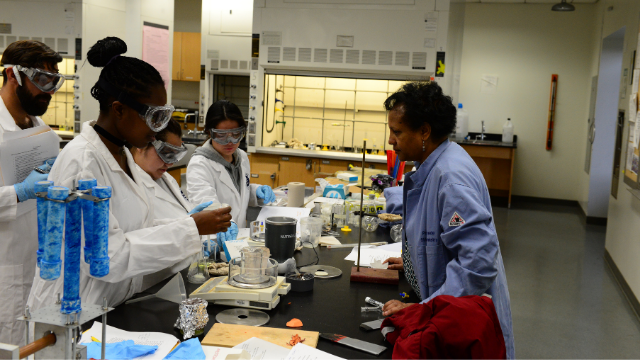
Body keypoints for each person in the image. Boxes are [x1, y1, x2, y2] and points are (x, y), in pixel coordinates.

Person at [27, 37, 232, 311]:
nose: (158, 129)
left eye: (163, 116)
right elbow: (106, 258)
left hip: (110, 307)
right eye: (153, 117)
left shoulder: (124, 155)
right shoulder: (83, 163)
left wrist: (188, 224)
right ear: (119, 110)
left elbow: (136, 231)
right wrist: (190, 228)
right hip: (70, 312)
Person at [380, 81, 514, 358]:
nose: (391, 141)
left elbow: (477, 263)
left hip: (460, 324)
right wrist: (414, 262)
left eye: (397, 132)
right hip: (448, 310)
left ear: (424, 132)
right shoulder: (433, 164)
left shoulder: (450, 178)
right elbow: (440, 235)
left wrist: (423, 308)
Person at [0, 40, 61, 346]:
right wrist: (20, 193)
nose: (49, 90)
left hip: (40, 266)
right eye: (41, 80)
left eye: (54, 81)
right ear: (13, 75)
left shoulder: (42, 131)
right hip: (5, 270)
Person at [131, 118, 213, 289]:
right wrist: (190, 226)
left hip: (180, 278)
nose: (170, 162)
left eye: (176, 154)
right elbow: (143, 239)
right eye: (166, 153)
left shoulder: (166, 178)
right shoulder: (131, 186)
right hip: (154, 286)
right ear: (141, 145)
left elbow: (181, 216)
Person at [187, 100, 276, 230]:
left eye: (236, 134)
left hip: (238, 237)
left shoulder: (241, 157)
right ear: (209, 132)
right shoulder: (199, 165)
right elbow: (208, 207)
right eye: (221, 135)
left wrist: (254, 192)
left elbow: (236, 191)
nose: (230, 142)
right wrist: (227, 225)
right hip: (216, 238)